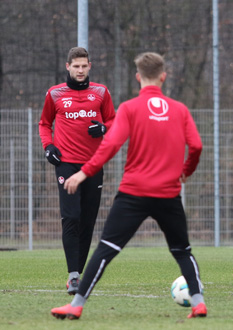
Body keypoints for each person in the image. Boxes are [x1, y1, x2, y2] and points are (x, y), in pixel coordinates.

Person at [50, 52, 206, 319]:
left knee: (106, 250)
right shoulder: (179, 109)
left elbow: (110, 145)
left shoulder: (130, 108)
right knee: (182, 250)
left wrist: (83, 173)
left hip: (134, 193)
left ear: (138, 77)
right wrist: (185, 171)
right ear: (163, 76)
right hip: (168, 193)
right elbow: (197, 146)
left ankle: (76, 305)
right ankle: (198, 302)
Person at [38, 47, 115, 295]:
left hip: (94, 164)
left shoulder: (101, 93)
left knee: (87, 221)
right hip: (67, 165)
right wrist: (48, 146)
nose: (80, 70)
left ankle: (78, 274)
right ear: (68, 66)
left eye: (84, 66)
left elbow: (114, 122)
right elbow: (44, 124)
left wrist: (103, 129)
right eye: (76, 66)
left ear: (89, 66)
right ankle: (73, 277)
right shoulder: (55, 94)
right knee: (70, 217)